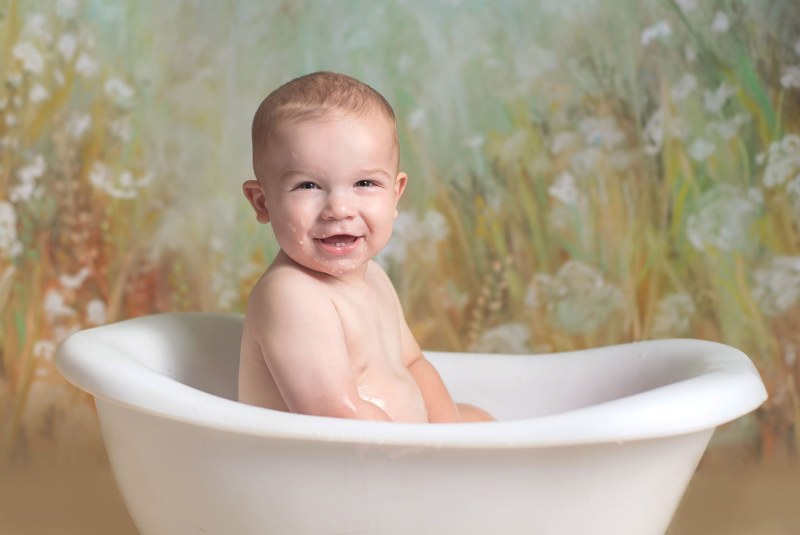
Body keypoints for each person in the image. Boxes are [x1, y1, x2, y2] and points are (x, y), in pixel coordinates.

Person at [239, 71, 491, 423]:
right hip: (332, 469)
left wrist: (450, 433)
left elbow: (413, 363)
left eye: (365, 183)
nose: (339, 209)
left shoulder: (374, 279)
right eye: (308, 185)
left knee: (476, 419)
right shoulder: (292, 295)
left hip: (390, 454)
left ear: (395, 194)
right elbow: (338, 415)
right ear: (262, 202)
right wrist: (427, 457)